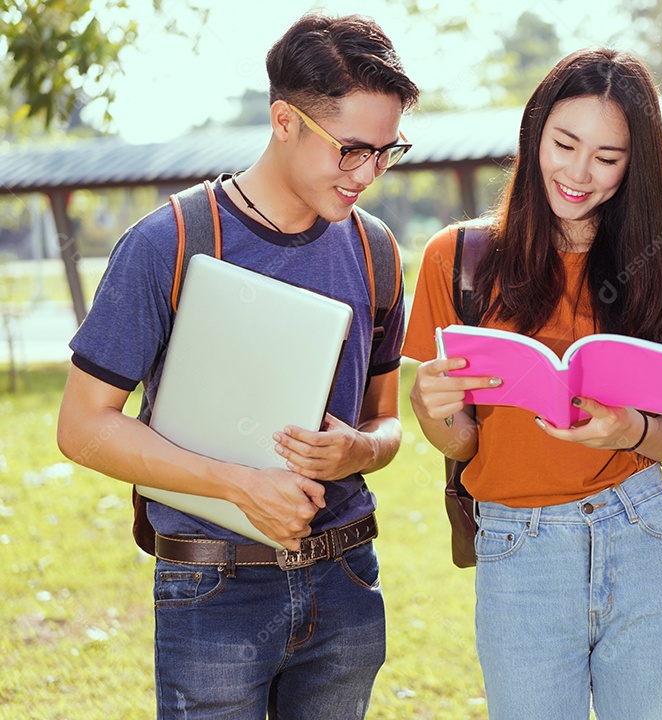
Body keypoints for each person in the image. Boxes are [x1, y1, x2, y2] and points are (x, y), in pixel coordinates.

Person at [56, 13, 418, 719]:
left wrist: (359, 449)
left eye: (386, 151)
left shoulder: (376, 250)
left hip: (346, 581)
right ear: (284, 120)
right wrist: (238, 485)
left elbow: (387, 422)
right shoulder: (169, 241)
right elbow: (81, 427)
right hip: (213, 589)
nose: (369, 174)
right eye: (351, 150)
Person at [404, 48, 662, 719]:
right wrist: (430, 408)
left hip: (642, 530)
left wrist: (630, 429)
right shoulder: (457, 259)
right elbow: (458, 445)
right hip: (520, 546)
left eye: (607, 157)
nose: (578, 173)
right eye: (564, 143)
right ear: (534, 131)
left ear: (636, 165)